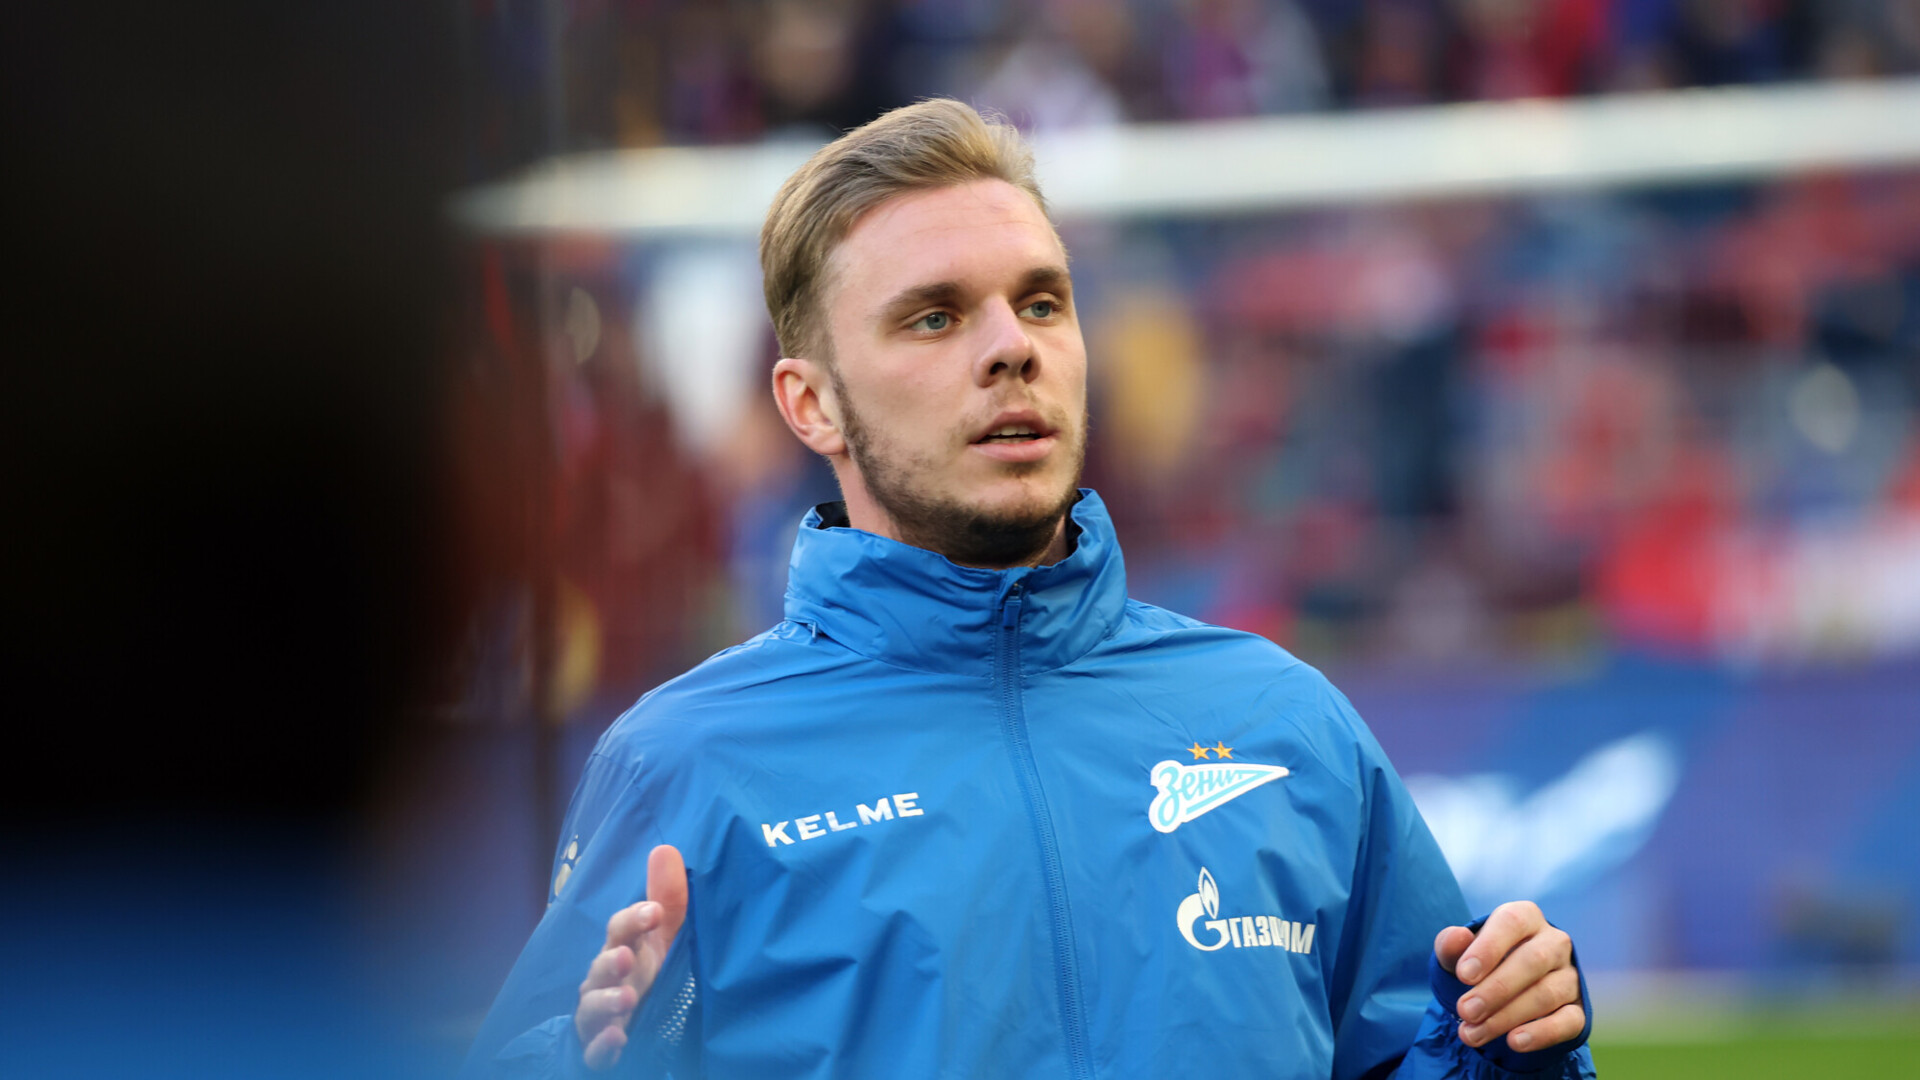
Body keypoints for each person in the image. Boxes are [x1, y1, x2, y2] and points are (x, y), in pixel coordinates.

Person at [465, 99, 1596, 1080]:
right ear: (812, 405)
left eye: (1043, 303)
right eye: (936, 316)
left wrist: (1511, 1045)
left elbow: (1416, 1050)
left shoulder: (1287, 722)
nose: (1012, 347)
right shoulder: (687, 764)